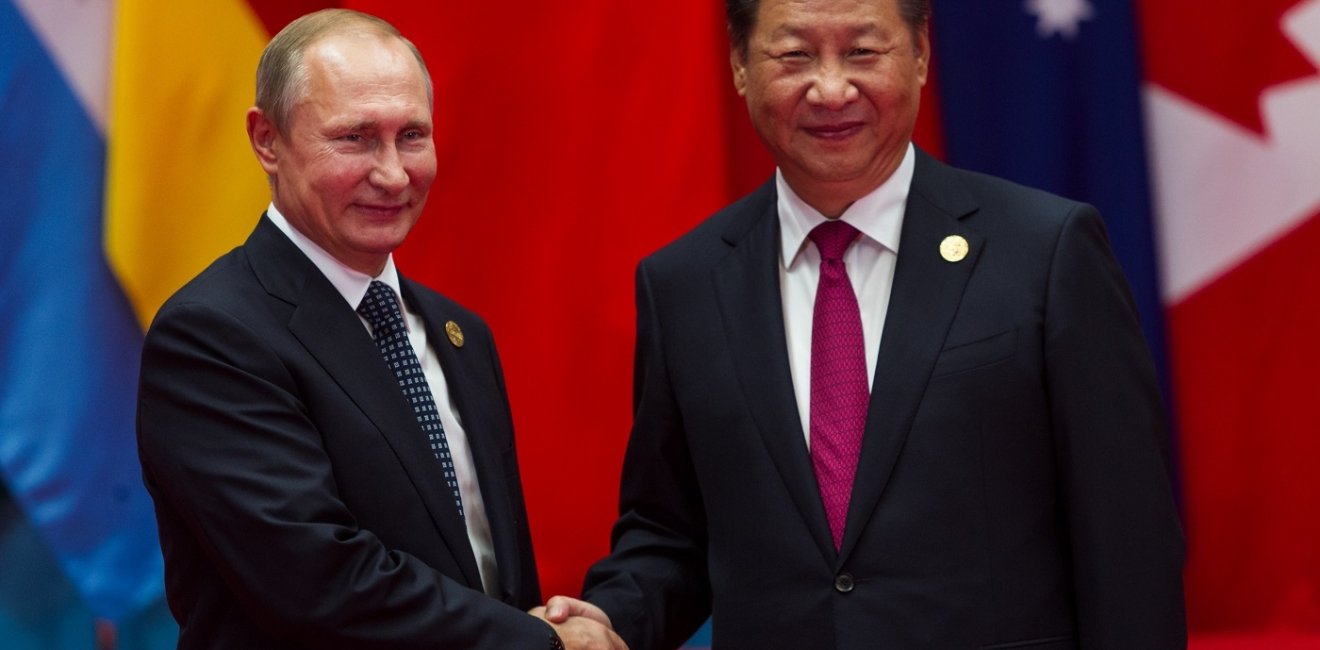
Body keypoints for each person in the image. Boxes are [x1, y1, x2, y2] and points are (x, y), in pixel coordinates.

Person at [540, 0, 1187, 647]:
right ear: (740, 65)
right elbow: (671, 535)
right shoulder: (683, 285)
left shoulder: (1044, 251)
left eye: (862, 52)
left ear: (922, 55)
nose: (830, 89)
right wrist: (608, 622)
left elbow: (1125, 540)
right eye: (794, 55)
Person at [136, 9, 624, 649]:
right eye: (356, 138)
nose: (394, 174)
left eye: (412, 135)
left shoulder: (458, 332)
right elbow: (317, 583)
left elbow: (491, 574)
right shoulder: (211, 336)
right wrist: (543, 645)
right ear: (267, 140)